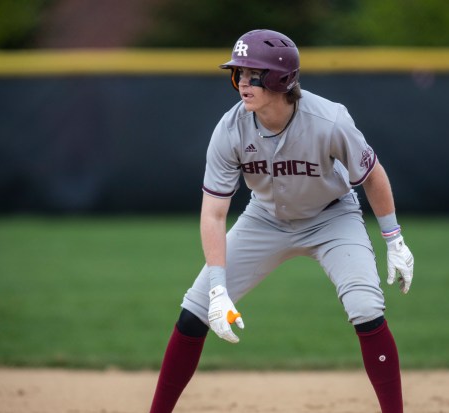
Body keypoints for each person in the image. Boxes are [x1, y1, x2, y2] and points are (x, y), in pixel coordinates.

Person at [149, 29, 415, 413]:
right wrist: (218, 289)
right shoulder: (231, 129)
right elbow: (214, 211)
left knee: (366, 307)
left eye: (252, 73)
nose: (242, 81)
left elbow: (372, 174)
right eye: (238, 72)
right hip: (265, 217)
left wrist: (393, 239)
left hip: (332, 218)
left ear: (280, 79)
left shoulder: (329, 120)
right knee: (194, 311)